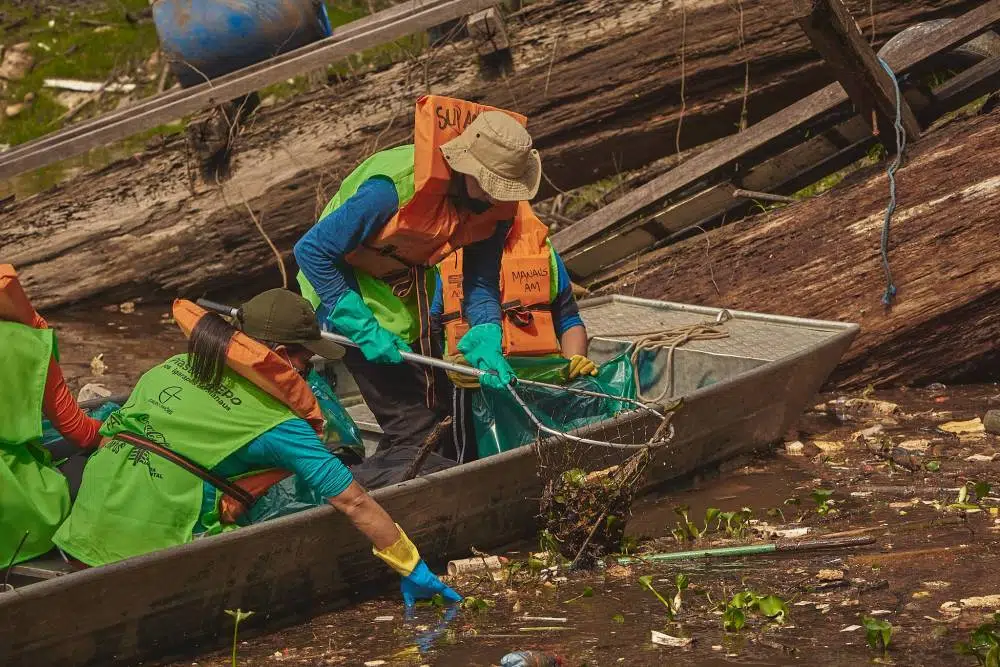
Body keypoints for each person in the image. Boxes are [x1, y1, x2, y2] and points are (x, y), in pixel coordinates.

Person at [53, 289, 459, 607]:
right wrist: (411, 565)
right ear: (281, 356)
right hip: (147, 570)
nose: (308, 370)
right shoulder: (280, 424)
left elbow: (106, 437)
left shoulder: (168, 369)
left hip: (75, 546)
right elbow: (353, 502)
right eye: (306, 360)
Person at [294, 95, 542, 461]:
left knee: (448, 416)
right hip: (343, 297)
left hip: (408, 295)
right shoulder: (389, 191)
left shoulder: (496, 207)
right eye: (491, 184)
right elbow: (311, 251)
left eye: (505, 188)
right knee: (415, 426)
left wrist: (488, 330)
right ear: (466, 167)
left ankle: (399, 475)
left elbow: (481, 281)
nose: (496, 197)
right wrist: (362, 328)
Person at [430, 205, 598, 461]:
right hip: (475, 392)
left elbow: (568, 318)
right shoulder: (443, 257)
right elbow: (428, 332)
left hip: (542, 386)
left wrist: (574, 360)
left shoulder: (543, 250)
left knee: (555, 459)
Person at [0, 264, 103, 566]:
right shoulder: (27, 343)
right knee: (92, 466)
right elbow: (79, 431)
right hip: (17, 510)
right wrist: (113, 430)